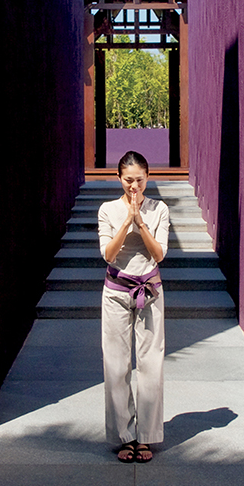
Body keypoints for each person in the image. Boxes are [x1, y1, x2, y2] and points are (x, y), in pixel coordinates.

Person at [97, 150, 169, 463]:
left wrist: (141, 222)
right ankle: (123, 436)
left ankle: (148, 436)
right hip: (115, 292)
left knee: (151, 364)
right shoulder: (108, 209)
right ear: (119, 178)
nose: (134, 186)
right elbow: (109, 254)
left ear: (148, 177)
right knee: (116, 365)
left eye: (139, 180)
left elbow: (159, 254)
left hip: (149, 290)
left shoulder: (159, 209)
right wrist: (127, 219)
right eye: (128, 180)